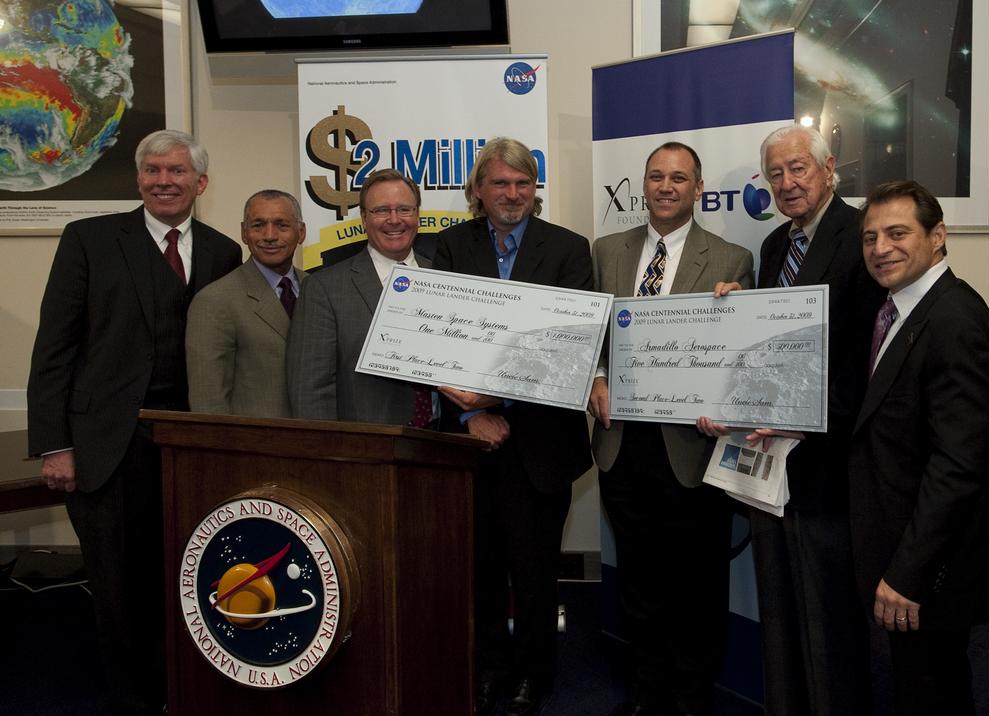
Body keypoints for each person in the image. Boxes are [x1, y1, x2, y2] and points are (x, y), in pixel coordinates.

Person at [27, 129, 241, 714]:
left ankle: (183, 689)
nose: (164, 181)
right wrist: (54, 445)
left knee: (186, 576)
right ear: (138, 179)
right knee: (119, 588)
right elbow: (55, 348)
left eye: (176, 172)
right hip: (104, 445)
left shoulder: (224, 252)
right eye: (153, 171)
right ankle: (134, 701)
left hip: (187, 445)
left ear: (200, 183)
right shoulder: (89, 240)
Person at [702, 124, 881, 715]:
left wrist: (811, 419)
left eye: (798, 168)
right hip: (768, 464)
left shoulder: (863, 237)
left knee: (829, 626)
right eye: (775, 173)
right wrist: (739, 311)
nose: (787, 182)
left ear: (829, 168)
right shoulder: (776, 246)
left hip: (827, 466)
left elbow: (870, 359)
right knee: (780, 614)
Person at [590, 141, 754, 716]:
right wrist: (597, 378)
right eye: (656, 177)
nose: (665, 187)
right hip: (621, 445)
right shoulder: (605, 250)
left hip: (689, 447)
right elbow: (591, 338)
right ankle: (645, 692)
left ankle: (690, 698)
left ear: (697, 189)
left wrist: (736, 311)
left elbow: (737, 354)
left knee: (697, 584)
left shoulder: (731, 260)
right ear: (643, 184)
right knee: (638, 580)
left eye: (678, 178)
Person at [431, 138, 594, 716]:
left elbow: (567, 347)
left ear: (535, 189)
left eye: (523, 184)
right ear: (478, 190)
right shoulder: (446, 247)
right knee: (479, 569)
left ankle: (533, 674)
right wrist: (474, 413)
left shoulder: (571, 251)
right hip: (471, 445)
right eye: (500, 183)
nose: (512, 194)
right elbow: (441, 339)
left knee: (533, 572)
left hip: (543, 444)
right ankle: (490, 668)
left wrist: (495, 397)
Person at [852, 180, 989, 714]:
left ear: (937, 236)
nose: (880, 249)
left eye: (898, 233)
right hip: (903, 548)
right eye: (870, 237)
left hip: (929, 568)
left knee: (932, 690)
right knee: (917, 682)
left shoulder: (954, 318)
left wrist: (907, 573)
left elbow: (958, 466)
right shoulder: (897, 309)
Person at [286, 168, 436, 425]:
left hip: (446, 445)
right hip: (366, 451)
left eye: (404, 209)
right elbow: (309, 392)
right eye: (381, 211)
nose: (394, 219)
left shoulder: (445, 278)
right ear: (364, 219)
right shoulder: (324, 288)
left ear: (418, 216)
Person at [187, 189, 307, 417]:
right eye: (258, 225)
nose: (269, 235)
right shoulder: (214, 300)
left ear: (301, 232)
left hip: (319, 442)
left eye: (282, 225)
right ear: (244, 233)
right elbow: (208, 401)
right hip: (252, 447)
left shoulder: (317, 288)